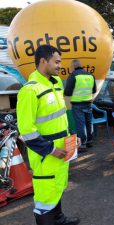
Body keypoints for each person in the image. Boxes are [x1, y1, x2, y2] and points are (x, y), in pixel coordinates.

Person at [17, 45, 80, 225]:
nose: (60, 65)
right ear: (43, 61)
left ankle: (58, 219)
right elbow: (26, 131)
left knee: (57, 187)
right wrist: (51, 149)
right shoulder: (30, 90)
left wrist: (73, 135)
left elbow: (63, 113)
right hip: (46, 156)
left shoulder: (56, 83)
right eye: (57, 61)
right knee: (45, 195)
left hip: (61, 151)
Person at [64, 59, 96, 152]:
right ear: (80, 65)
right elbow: (93, 90)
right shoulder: (91, 75)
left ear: (73, 66)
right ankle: (89, 141)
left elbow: (67, 92)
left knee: (80, 124)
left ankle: (82, 145)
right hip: (89, 103)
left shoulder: (73, 75)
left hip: (77, 104)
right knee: (88, 123)